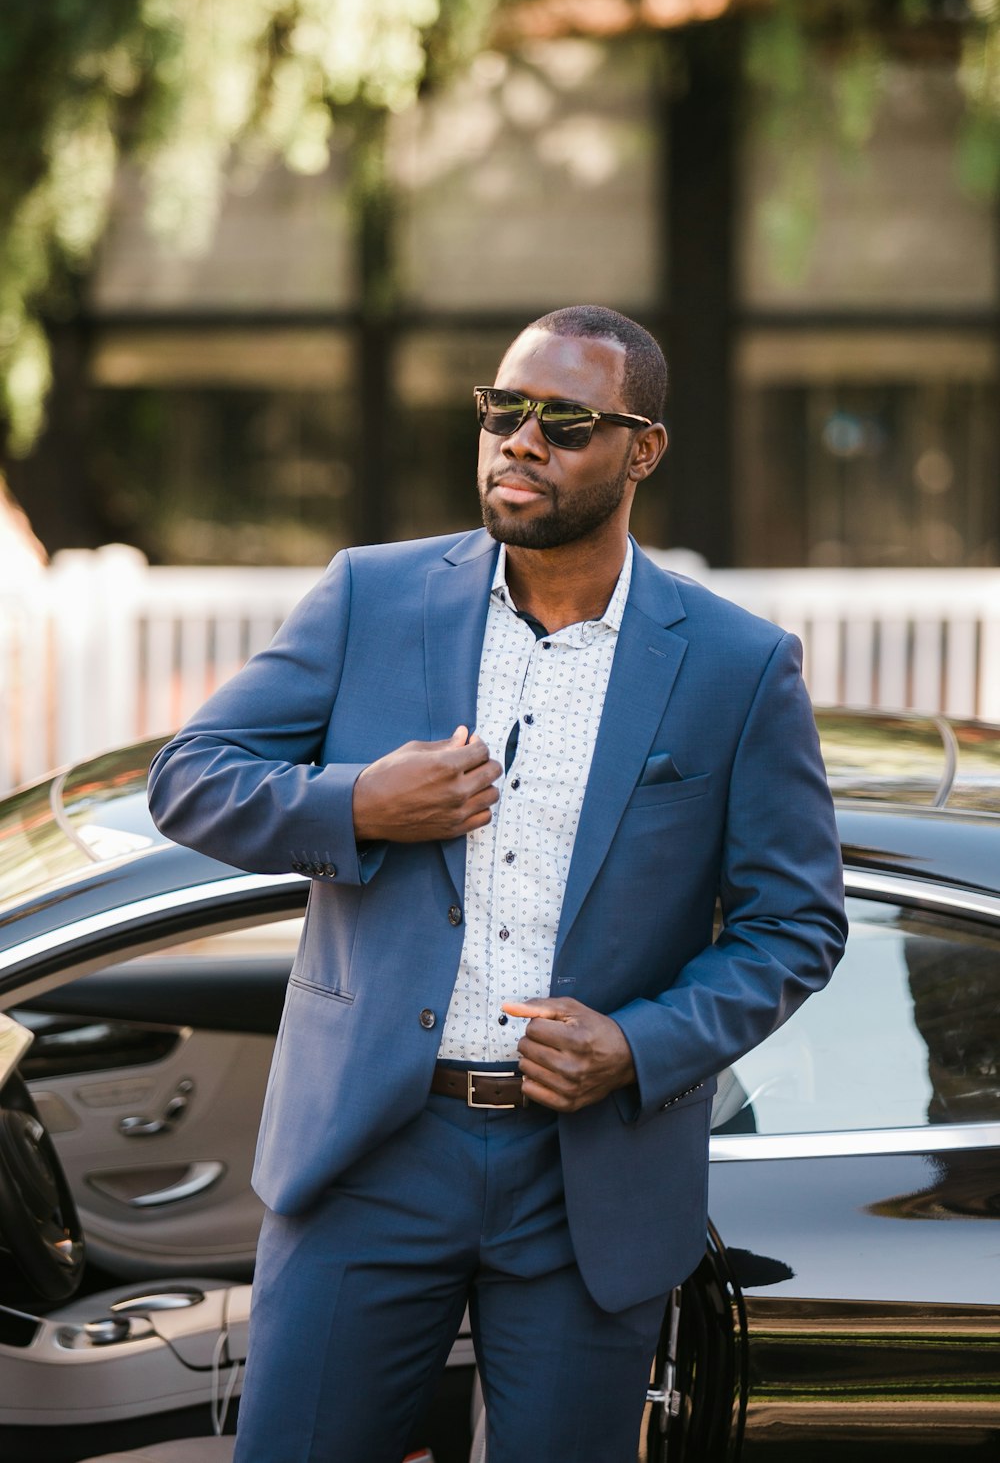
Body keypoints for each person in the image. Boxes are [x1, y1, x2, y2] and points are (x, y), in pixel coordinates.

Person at [147, 305, 847, 1463]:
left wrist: (636, 1043)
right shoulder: (370, 599)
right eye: (500, 411)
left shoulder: (736, 666)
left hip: (588, 1181)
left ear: (641, 450)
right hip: (373, 1148)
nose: (518, 442)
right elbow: (190, 778)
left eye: (563, 422)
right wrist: (358, 803)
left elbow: (793, 926)